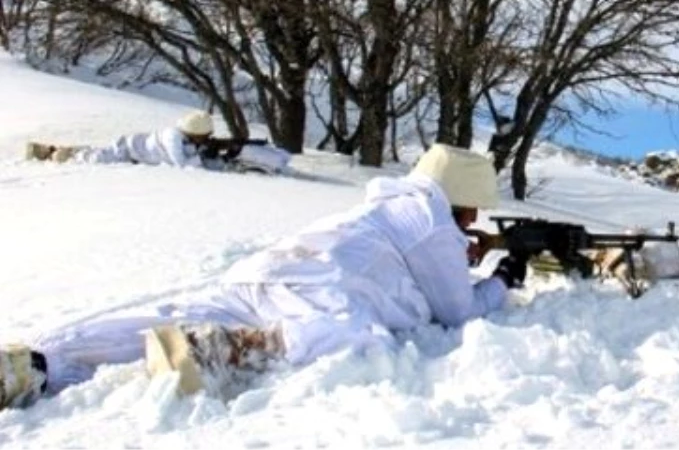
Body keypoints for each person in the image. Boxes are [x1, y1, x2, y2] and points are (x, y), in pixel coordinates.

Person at [0, 143, 529, 411]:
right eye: (470, 214)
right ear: (458, 201)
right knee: (353, 344)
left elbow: (413, 260)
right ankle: (228, 350)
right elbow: (457, 311)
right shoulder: (433, 222)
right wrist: (503, 277)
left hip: (271, 272)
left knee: (171, 316)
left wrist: (461, 254)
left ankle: (41, 362)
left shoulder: (395, 204)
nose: (469, 224)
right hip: (317, 295)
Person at [24, 110, 216, 168]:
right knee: (91, 158)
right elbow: (180, 164)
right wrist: (202, 155)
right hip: (129, 150)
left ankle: (59, 151)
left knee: (94, 154)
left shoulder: (182, 137)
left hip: (132, 152)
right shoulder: (172, 137)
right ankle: (47, 152)